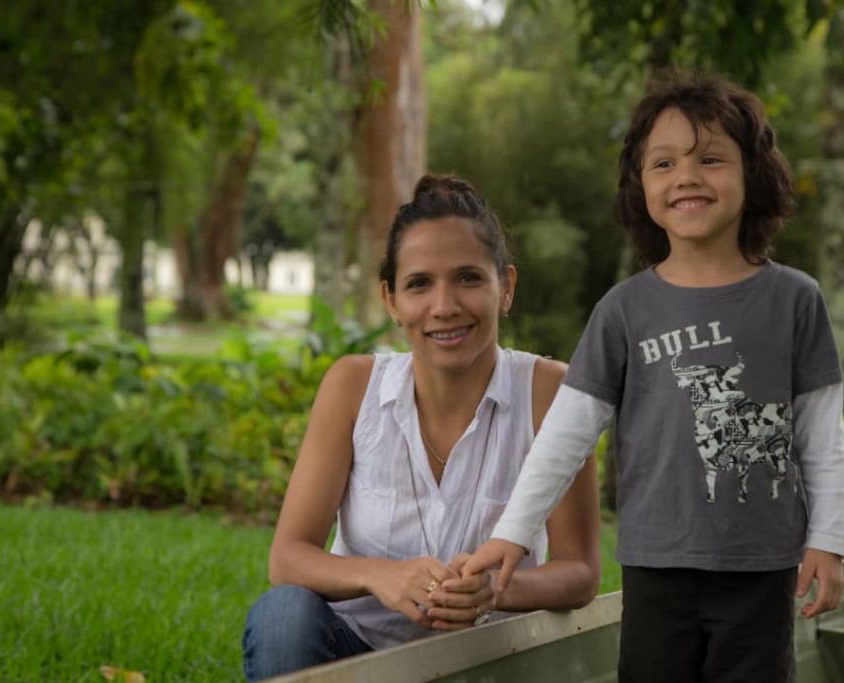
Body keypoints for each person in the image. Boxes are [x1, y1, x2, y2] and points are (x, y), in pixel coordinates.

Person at [464, 70, 844, 682]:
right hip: (656, 565)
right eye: (664, 163)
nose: (687, 177)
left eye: (710, 159)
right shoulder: (623, 310)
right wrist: (513, 532)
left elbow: (822, 436)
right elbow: (566, 435)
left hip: (762, 567)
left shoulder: (795, 301)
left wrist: (828, 539)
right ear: (639, 184)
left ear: (752, 174)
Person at [241, 174, 601, 681]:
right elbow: (288, 558)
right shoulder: (352, 386)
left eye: (468, 278)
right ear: (390, 300)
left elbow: (580, 571)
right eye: (419, 284)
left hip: (489, 661)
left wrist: (496, 590)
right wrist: (381, 576)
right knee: (282, 617)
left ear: (506, 287)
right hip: (359, 655)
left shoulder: (549, 392)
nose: (444, 306)